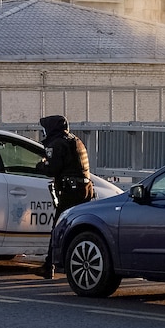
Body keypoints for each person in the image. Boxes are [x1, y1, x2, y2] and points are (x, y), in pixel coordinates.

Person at [35, 114, 95, 279]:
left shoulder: (57, 143)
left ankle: (49, 266)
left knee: (59, 227)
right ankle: (63, 263)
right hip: (85, 188)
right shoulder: (74, 140)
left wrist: (39, 165)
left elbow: (51, 169)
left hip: (70, 191)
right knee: (78, 227)